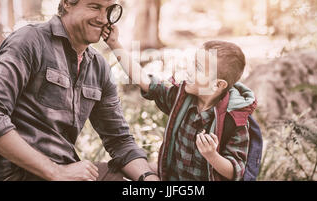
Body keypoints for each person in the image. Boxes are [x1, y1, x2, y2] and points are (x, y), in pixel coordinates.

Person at [0, 0, 159, 181]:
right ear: (66, 3)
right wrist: (55, 171)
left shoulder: (98, 66)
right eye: (95, 7)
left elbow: (120, 140)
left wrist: (147, 178)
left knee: (151, 175)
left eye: (109, 10)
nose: (104, 19)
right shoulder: (30, 42)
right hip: (13, 174)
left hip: (64, 172)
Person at [104, 26, 259, 180]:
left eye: (198, 68)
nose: (189, 71)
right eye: (193, 64)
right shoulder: (180, 97)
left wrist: (212, 155)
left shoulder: (234, 121)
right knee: (122, 171)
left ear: (218, 85)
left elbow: (236, 171)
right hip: (171, 177)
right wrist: (114, 44)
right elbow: (144, 81)